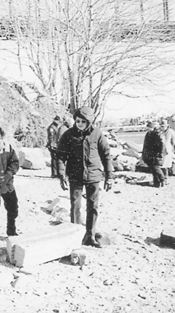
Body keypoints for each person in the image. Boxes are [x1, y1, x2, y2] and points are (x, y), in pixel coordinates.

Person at [57, 106, 113, 248]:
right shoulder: (68, 135)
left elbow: (106, 155)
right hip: (75, 176)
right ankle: (75, 235)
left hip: (93, 176)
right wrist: (61, 175)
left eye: (83, 121)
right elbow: (61, 156)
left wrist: (109, 176)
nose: (79, 124)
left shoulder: (97, 134)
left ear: (89, 122)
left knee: (92, 206)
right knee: (75, 206)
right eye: (77, 121)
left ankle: (90, 235)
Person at [142, 121, 165, 187]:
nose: (147, 129)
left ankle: (162, 179)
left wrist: (159, 152)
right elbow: (146, 145)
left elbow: (161, 144)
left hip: (155, 154)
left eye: (148, 128)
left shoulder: (157, 134)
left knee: (156, 168)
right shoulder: (149, 134)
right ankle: (157, 183)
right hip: (150, 154)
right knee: (153, 169)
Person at [160, 119, 175, 184]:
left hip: (167, 150)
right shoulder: (160, 132)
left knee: (165, 165)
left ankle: (165, 179)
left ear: (167, 126)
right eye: (161, 126)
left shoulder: (171, 132)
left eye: (163, 126)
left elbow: (174, 141)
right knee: (161, 165)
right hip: (160, 150)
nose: (162, 128)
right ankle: (162, 178)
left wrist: (169, 147)